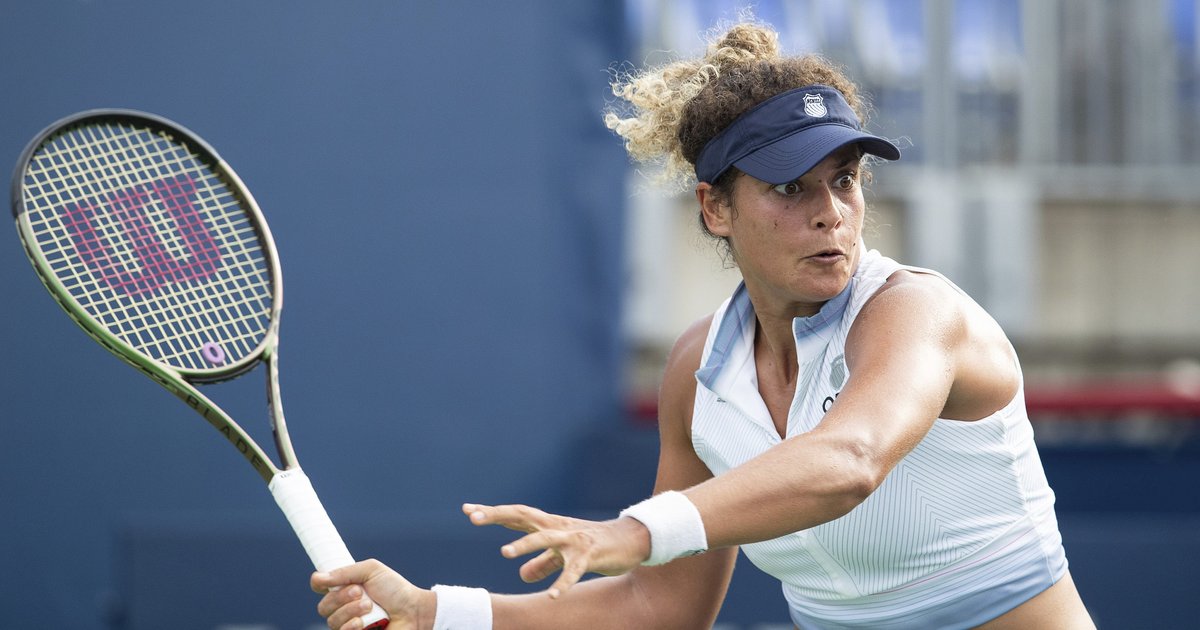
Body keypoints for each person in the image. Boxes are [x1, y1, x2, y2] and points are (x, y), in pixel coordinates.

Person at [312, 19, 1094, 630]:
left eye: (846, 181)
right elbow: (657, 610)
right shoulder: (699, 371)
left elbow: (851, 460)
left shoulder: (918, 312)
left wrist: (636, 530)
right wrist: (435, 612)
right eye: (791, 188)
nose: (831, 214)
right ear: (715, 208)